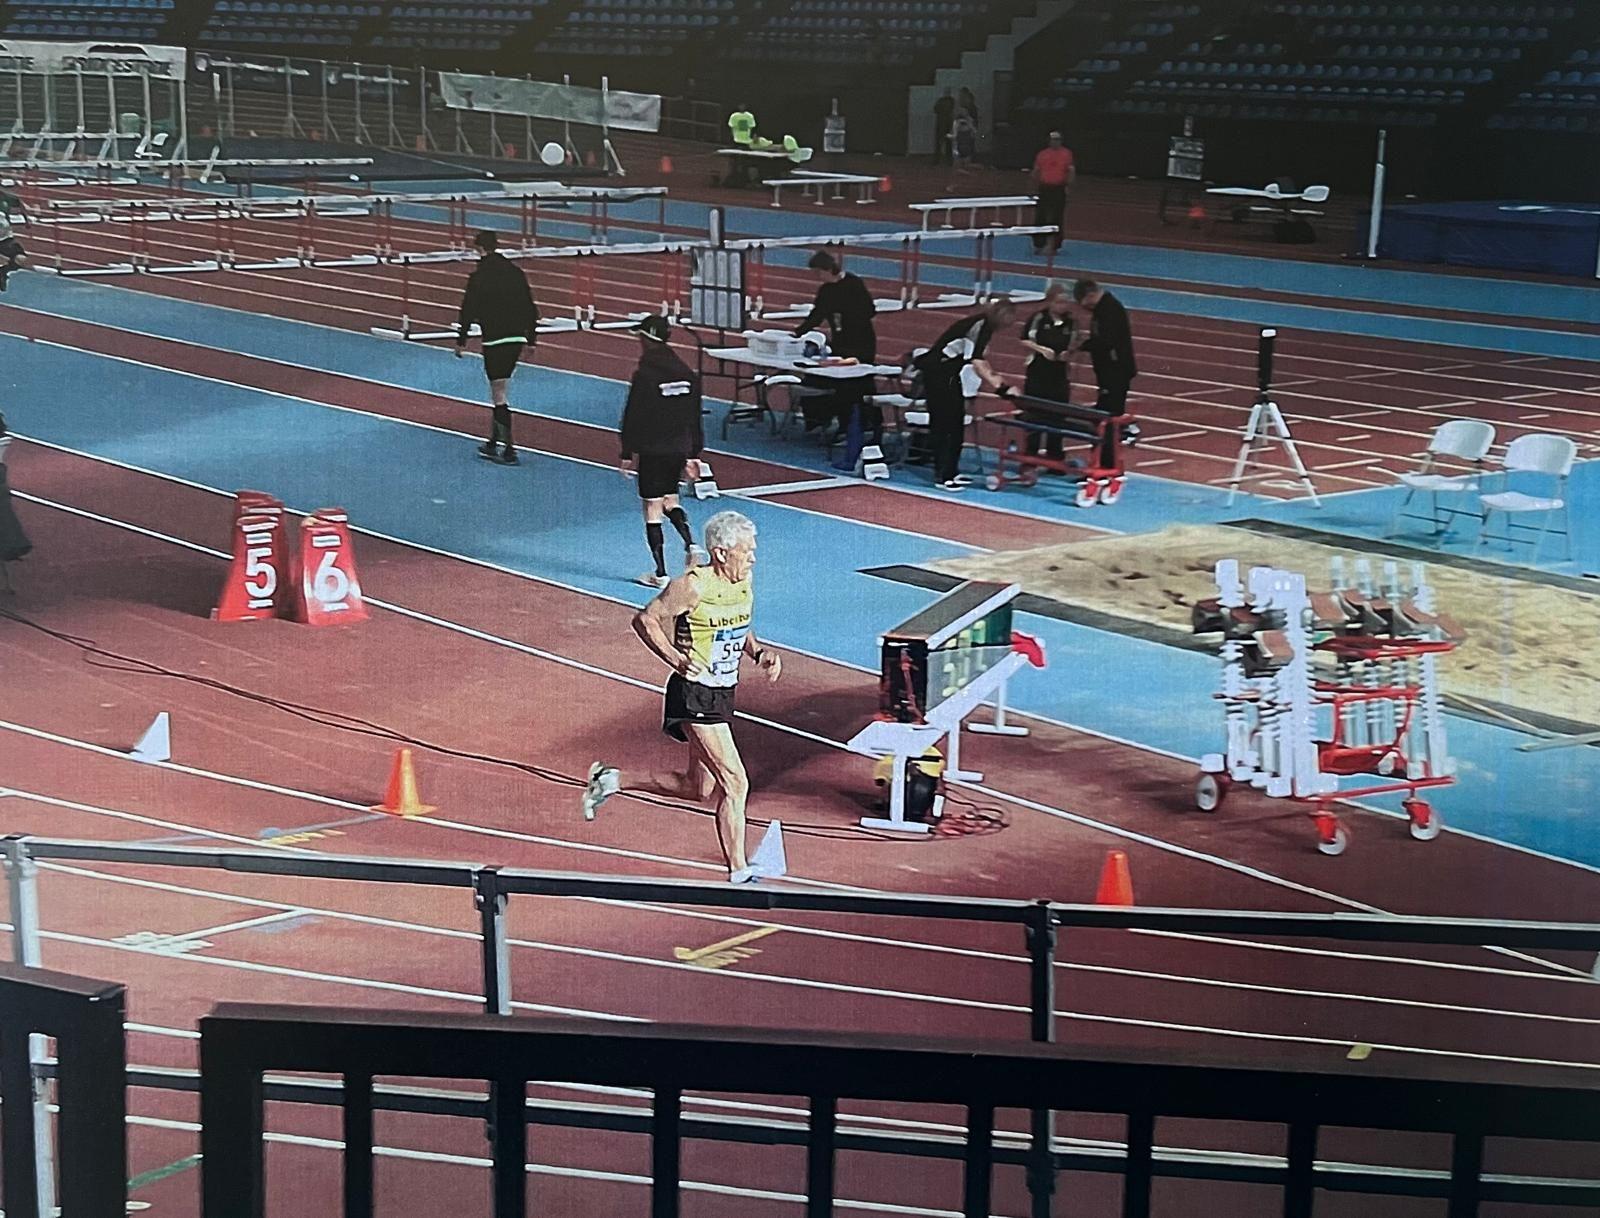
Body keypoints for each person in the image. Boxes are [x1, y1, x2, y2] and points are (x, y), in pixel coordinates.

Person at [631, 510, 784, 883]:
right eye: (746, 551)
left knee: (698, 788)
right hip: (694, 695)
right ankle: (738, 869)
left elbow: (739, 625)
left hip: (721, 694)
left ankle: (614, 780)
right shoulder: (693, 586)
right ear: (720, 553)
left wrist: (759, 653)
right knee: (736, 782)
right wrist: (676, 659)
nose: (752, 557)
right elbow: (645, 620)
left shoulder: (743, 582)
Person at [619, 314, 708, 588]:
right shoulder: (687, 374)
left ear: (646, 340)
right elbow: (695, 416)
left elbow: (634, 415)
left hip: (653, 449)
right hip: (678, 448)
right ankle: (691, 543)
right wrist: (694, 452)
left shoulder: (645, 375)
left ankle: (660, 573)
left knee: (651, 508)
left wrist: (626, 452)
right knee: (671, 500)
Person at [455, 230, 539, 465]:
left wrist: (461, 340)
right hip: (516, 339)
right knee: (501, 388)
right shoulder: (516, 273)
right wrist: (531, 339)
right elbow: (530, 307)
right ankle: (493, 442)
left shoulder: (478, 278)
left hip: (494, 339)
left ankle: (509, 449)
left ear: (479, 249)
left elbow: (468, 310)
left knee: (498, 393)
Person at [916, 297, 1017, 492]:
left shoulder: (984, 326)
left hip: (950, 373)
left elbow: (981, 359)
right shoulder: (979, 325)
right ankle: (942, 475)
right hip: (938, 372)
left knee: (956, 423)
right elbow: (977, 362)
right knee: (945, 424)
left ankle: (952, 471)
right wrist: (1001, 387)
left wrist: (1000, 382)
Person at [794, 250, 879, 458]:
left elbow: (869, 311)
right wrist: (797, 333)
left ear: (828, 269)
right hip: (840, 342)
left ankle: (854, 425)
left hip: (860, 343)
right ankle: (817, 421)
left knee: (852, 384)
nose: (818, 277)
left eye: (819, 273)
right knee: (818, 377)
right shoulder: (825, 291)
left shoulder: (854, 284)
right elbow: (817, 315)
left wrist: (846, 313)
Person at [1072, 279, 1140, 466]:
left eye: (1082, 302)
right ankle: (1100, 460)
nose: (1083, 307)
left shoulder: (1109, 310)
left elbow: (1105, 341)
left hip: (1115, 372)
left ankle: (1106, 462)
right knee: (1103, 418)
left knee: (1108, 419)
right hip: (1110, 372)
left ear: (1090, 295)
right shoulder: (1103, 309)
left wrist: (1082, 345)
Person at [1018, 284, 1076, 466]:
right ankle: (1031, 456)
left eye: (1066, 302)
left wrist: (1069, 353)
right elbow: (1024, 338)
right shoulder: (1038, 318)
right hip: (1038, 373)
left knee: (1057, 416)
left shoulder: (1071, 322)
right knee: (1035, 413)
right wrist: (1041, 349)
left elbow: (1075, 342)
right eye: (1059, 302)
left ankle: (1055, 458)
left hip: (1059, 375)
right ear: (1050, 302)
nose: (1063, 306)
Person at [1030, 131, 1075, 254]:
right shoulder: (1042, 154)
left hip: (1058, 188)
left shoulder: (1066, 154)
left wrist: (1067, 185)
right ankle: (1039, 244)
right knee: (1040, 216)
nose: (1055, 142)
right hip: (1045, 187)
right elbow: (1036, 170)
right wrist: (1036, 185)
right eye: (1053, 140)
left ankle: (1055, 245)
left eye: (1057, 140)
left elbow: (1070, 170)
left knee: (1057, 217)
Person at [0, 190, 29, 293]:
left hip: (6, 238)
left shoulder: (6, 197)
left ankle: (3, 272)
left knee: (21, 259)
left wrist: (26, 219)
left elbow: (19, 203)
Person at [726, 104, 757, 186]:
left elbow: (752, 128)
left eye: (743, 106)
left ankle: (745, 178)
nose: (741, 107)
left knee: (745, 161)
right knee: (733, 161)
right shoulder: (734, 116)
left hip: (746, 142)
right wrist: (732, 140)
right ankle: (732, 176)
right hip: (736, 142)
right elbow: (731, 128)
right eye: (740, 106)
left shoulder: (750, 116)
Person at [931, 91, 955, 166]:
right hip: (948, 124)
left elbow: (935, 109)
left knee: (939, 143)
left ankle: (937, 160)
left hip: (941, 123)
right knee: (948, 143)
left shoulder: (941, 101)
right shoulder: (951, 101)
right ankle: (949, 160)